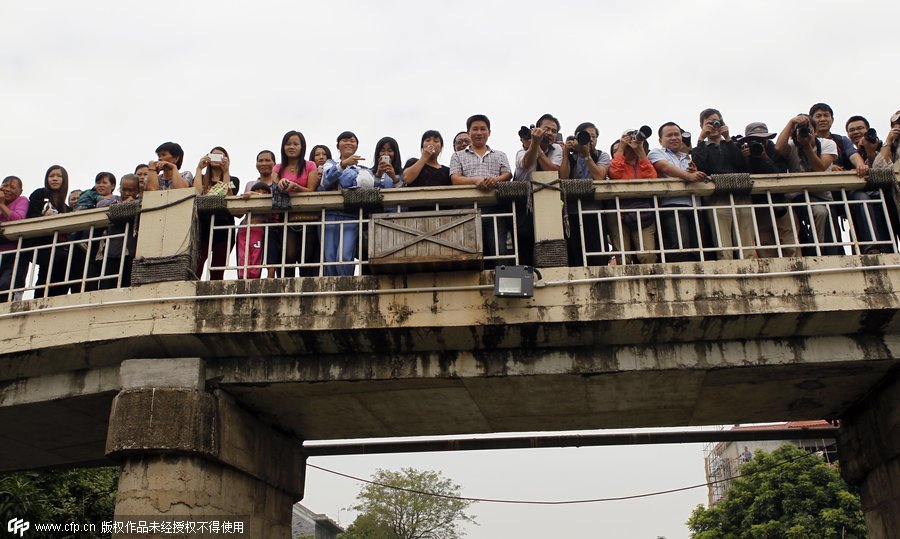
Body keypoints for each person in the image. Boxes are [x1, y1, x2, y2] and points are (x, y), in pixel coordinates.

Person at [691, 108, 755, 260]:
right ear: (702, 126)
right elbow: (700, 165)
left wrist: (728, 138)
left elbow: (740, 164)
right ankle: (726, 265)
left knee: (745, 234)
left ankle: (749, 262)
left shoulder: (732, 144)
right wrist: (701, 138)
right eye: (709, 123)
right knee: (722, 238)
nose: (714, 126)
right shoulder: (701, 148)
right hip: (717, 196)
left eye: (716, 122)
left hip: (740, 194)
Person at [450, 114, 513, 265]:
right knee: (469, 251)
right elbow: (455, 179)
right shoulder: (458, 155)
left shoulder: (499, 154)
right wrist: (475, 181)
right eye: (475, 129)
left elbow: (508, 174)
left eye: (483, 129)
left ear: (489, 132)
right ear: (469, 132)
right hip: (468, 209)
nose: (479, 132)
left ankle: (497, 282)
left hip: (495, 208)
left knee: (498, 249)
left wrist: (494, 180)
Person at [775, 114, 839, 254]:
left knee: (826, 217)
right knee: (820, 212)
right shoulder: (792, 145)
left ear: (815, 131)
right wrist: (791, 122)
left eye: (808, 128)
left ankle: (823, 251)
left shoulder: (827, 144)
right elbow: (778, 149)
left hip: (823, 196)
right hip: (798, 196)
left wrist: (807, 146)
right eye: (800, 129)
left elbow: (820, 168)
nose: (805, 131)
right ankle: (818, 251)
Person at [649, 122, 708, 262]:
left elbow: (694, 176)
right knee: (680, 245)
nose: (674, 137)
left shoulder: (687, 157)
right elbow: (665, 167)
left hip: (694, 205)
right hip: (671, 205)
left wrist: (695, 173)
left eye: (677, 134)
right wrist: (688, 176)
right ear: (660, 140)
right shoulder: (656, 152)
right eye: (669, 135)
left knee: (698, 247)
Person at [736, 122, 797, 258]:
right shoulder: (743, 152)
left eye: (762, 139)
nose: (759, 143)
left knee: (788, 240)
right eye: (755, 140)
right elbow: (742, 178)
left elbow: (780, 174)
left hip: (780, 201)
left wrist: (765, 158)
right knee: (764, 243)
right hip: (758, 204)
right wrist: (745, 159)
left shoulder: (777, 151)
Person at [558, 121, 612, 266]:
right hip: (572, 212)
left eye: (593, 137)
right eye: (586, 136)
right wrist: (565, 152)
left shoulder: (602, 155)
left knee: (598, 256)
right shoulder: (571, 156)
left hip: (595, 212)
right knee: (575, 257)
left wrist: (586, 155)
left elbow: (599, 176)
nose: (590, 140)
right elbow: (562, 178)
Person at [321, 131, 371, 276]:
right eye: (344, 140)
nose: (349, 143)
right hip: (329, 215)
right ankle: (330, 289)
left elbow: (366, 185)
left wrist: (344, 173)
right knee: (329, 258)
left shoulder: (363, 169)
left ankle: (346, 286)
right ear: (338, 146)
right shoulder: (329, 164)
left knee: (345, 256)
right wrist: (343, 165)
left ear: (356, 146)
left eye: (352, 140)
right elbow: (325, 181)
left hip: (350, 215)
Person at [607, 130, 658, 265]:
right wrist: (621, 148)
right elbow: (614, 173)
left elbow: (651, 177)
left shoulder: (643, 162)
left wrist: (640, 151)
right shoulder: (618, 162)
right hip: (620, 212)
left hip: (643, 212)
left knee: (648, 255)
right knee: (623, 257)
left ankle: (651, 283)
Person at [274, 131, 320, 277]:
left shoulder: (310, 165)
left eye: (295, 144)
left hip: (308, 217)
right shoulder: (278, 168)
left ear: (302, 146)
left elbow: (311, 190)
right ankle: (287, 288)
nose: (291, 147)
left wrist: (295, 187)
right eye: (288, 144)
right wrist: (280, 183)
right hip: (287, 218)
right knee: (289, 255)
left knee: (306, 257)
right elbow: (274, 187)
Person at [845, 115, 891, 253]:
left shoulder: (883, 147)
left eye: (860, 128)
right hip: (860, 202)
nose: (856, 132)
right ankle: (872, 248)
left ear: (868, 130)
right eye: (851, 130)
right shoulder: (849, 154)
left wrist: (870, 151)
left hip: (884, 198)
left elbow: (879, 170)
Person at [194, 147, 239, 280]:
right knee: (197, 266)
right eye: (213, 155)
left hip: (224, 227)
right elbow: (196, 193)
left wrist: (226, 171)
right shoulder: (201, 177)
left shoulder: (233, 179)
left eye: (220, 156)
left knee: (218, 269)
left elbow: (225, 194)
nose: (216, 158)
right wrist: (198, 169)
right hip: (203, 228)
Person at [26, 165, 71, 296]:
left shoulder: (66, 207)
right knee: (48, 270)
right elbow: (31, 217)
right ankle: (40, 299)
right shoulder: (40, 194)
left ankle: (55, 298)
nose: (55, 179)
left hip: (57, 246)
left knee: (62, 266)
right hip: (39, 244)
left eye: (58, 176)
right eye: (51, 176)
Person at [96, 174, 141, 289]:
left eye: (131, 190)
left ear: (137, 190)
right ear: (119, 188)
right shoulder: (113, 200)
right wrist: (123, 206)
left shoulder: (141, 202)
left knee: (129, 287)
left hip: (131, 253)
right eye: (124, 189)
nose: (126, 193)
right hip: (112, 253)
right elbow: (101, 206)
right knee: (106, 287)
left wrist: (133, 204)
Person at [810, 103, 868, 177]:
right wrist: (830, 167)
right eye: (818, 116)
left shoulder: (841, 140)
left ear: (832, 119)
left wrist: (861, 166)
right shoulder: (806, 141)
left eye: (826, 115)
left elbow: (853, 155)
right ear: (811, 120)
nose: (822, 119)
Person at [236, 181, 274, 279]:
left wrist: (253, 194)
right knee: (242, 255)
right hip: (243, 229)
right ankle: (242, 276)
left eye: (264, 192)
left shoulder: (268, 201)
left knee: (256, 254)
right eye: (256, 190)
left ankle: (254, 277)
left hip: (258, 230)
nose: (260, 193)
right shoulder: (248, 198)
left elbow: (267, 199)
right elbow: (241, 199)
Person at [0, 176, 29, 302]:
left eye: (12, 187)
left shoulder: (22, 200)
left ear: (20, 191)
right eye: (5, 185)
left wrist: (1, 204)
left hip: (14, 255)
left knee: (5, 285)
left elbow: (18, 219)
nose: (7, 189)